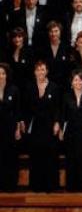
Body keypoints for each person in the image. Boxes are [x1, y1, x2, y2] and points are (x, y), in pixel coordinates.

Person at [24, 61, 61, 192]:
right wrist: (23, 122)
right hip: (34, 126)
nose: (41, 72)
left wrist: (57, 122)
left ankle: (50, 186)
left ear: (47, 71)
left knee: (50, 155)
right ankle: (36, 186)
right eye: (38, 69)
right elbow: (26, 107)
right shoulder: (29, 87)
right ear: (35, 72)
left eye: (43, 69)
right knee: (36, 156)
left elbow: (57, 107)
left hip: (49, 125)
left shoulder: (54, 87)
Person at [0, 63, 22, 191]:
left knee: (10, 157)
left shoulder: (13, 89)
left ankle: (11, 184)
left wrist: (18, 129)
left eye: (3, 73)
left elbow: (18, 111)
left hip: (10, 128)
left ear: (7, 75)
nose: (0, 76)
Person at [37, 21, 72, 87]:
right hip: (47, 84)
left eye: (56, 31)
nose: (53, 34)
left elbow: (69, 67)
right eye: (51, 31)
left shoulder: (67, 48)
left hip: (64, 84)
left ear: (60, 32)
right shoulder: (42, 49)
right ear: (48, 33)